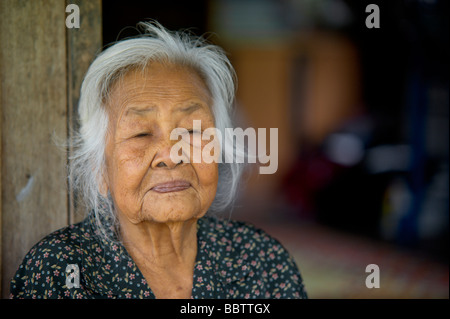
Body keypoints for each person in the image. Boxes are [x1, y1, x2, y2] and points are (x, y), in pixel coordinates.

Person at [10, 22, 307, 299]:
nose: (171, 154)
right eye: (141, 133)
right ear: (100, 169)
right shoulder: (60, 271)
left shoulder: (261, 261)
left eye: (192, 130)